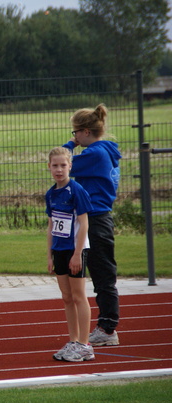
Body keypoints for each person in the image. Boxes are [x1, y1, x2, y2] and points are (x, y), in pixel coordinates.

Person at [63, 104, 122, 346]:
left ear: (86, 132)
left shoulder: (95, 154)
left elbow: (63, 165)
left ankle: (108, 329)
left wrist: (69, 146)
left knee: (102, 275)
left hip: (96, 219)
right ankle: (105, 326)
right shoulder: (104, 150)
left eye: (75, 132)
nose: (73, 136)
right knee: (98, 274)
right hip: (94, 217)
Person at [46, 147, 95, 362]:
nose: (59, 170)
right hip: (59, 250)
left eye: (63, 165)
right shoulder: (51, 193)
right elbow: (50, 226)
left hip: (75, 250)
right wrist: (49, 255)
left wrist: (77, 253)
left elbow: (84, 224)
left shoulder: (77, 190)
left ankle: (84, 344)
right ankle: (73, 340)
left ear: (70, 167)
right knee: (66, 298)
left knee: (78, 296)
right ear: (49, 167)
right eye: (55, 165)